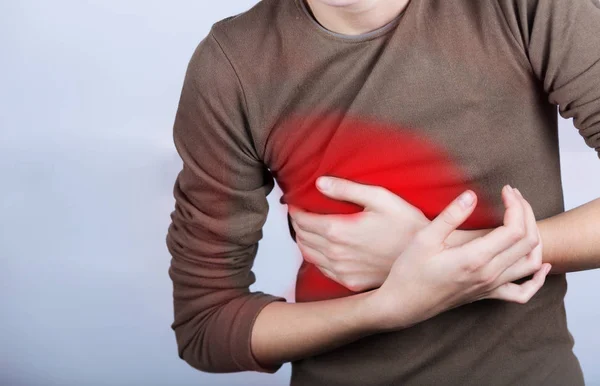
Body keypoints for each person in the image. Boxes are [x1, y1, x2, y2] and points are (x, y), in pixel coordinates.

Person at [165, 0, 600, 384]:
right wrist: (386, 308)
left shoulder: (526, 7)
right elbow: (205, 325)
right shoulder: (233, 65)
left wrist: (442, 255)